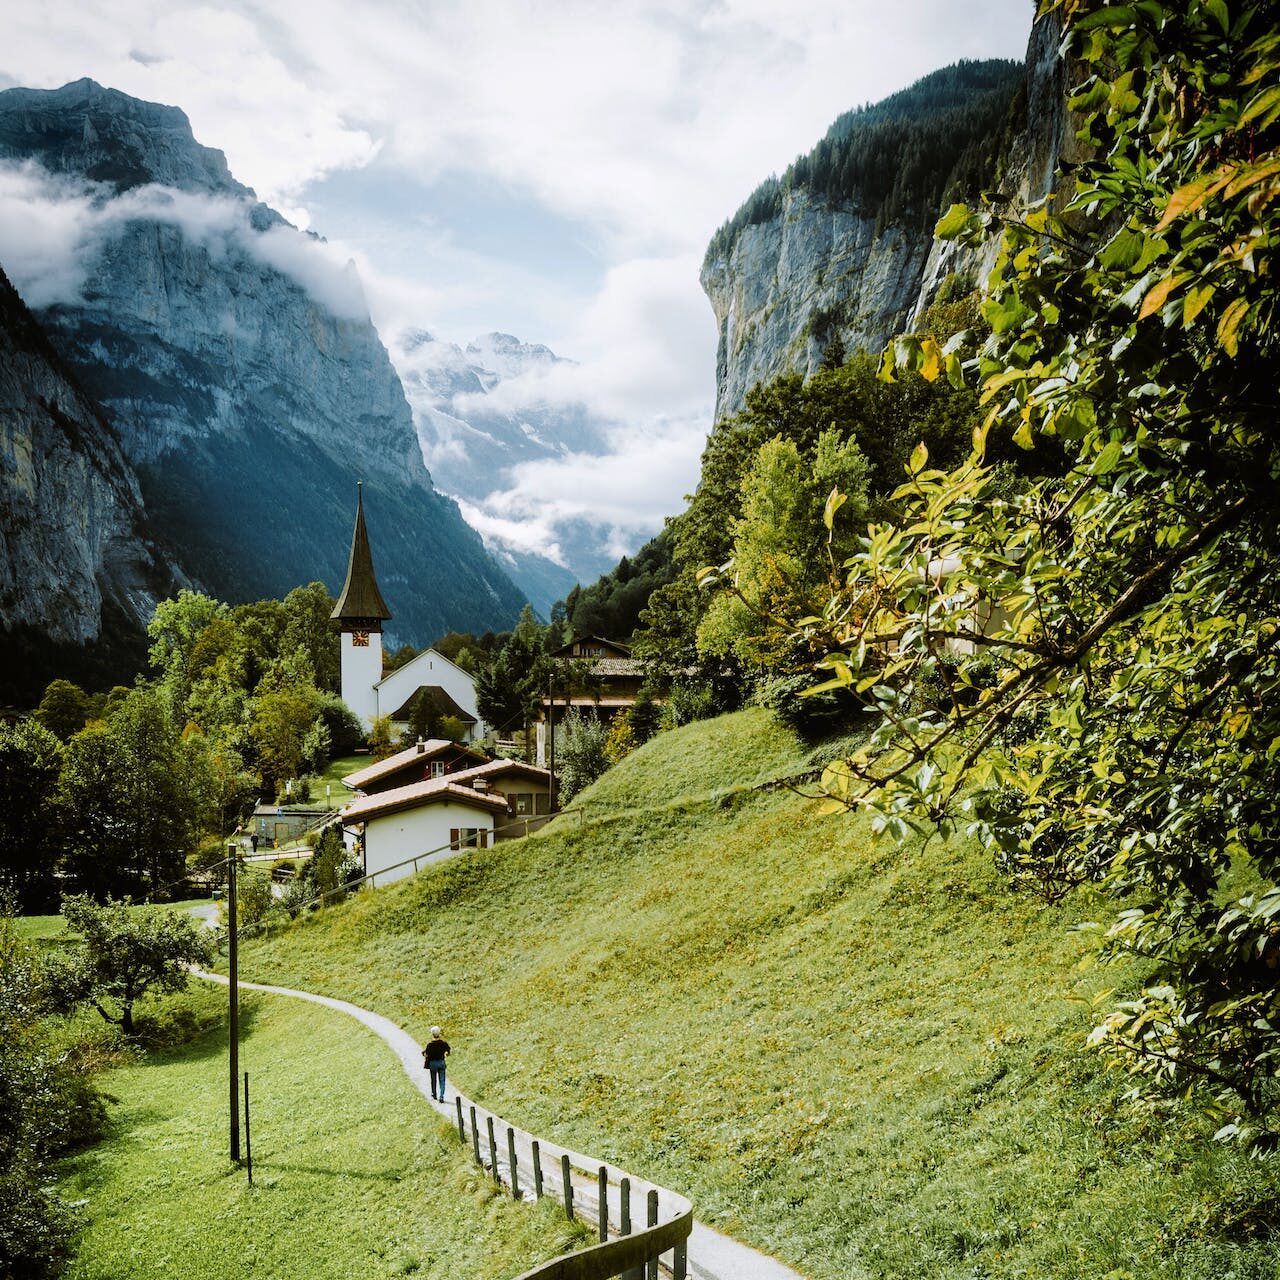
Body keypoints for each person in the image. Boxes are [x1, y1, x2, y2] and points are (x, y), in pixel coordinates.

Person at [423, 1026, 450, 1102]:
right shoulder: (443, 1044)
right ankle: (441, 1096)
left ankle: (434, 1094)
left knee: (433, 1079)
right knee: (442, 1080)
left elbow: (426, 1054)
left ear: (432, 1034)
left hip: (433, 1064)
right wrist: (446, 1053)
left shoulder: (430, 1045)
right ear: (439, 1034)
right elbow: (447, 1051)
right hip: (441, 1062)